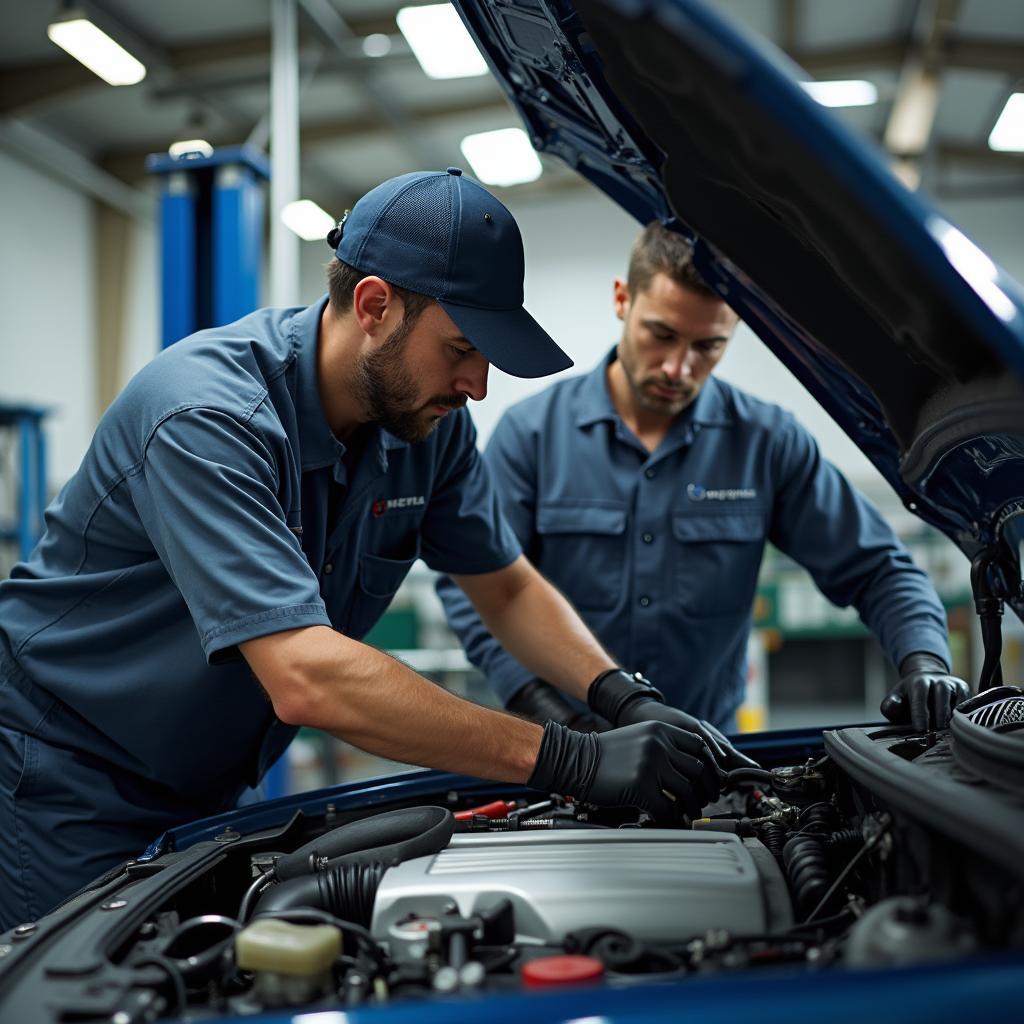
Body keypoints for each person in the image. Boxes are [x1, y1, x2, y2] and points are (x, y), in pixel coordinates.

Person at [0, 172, 728, 930]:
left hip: (203, 787)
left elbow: (504, 586)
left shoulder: (427, 430)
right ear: (375, 306)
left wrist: (621, 696)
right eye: (461, 348)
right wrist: (572, 761)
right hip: (63, 778)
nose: (478, 384)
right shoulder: (206, 418)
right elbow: (307, 677)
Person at [437, 221, 969, 739]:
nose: (678, 368)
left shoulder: (766, 442)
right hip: (562, 752)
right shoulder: (531, 435)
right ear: (623, 299)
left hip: (710, 764)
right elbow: (475, 587)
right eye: (661, 335)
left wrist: (922, 658)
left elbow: (879, 568)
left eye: (707, 346)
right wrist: (546, 707)